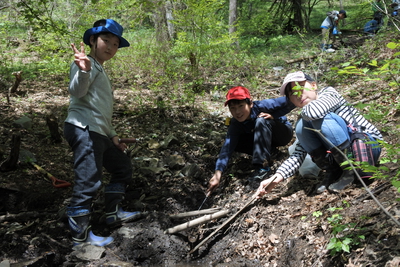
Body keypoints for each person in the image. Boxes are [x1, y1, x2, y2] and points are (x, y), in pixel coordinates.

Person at [64, 19, 143, 247]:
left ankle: (113, 212)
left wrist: (114, 136)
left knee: (122, 167)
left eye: (115, 44)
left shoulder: (100, 69)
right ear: (92, 40)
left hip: (99, 131)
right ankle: (80, 236)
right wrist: (84, 71)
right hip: (83, 128)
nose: (110, 47)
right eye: (105, 41)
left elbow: (101, 110)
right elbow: (76, 91)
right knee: (89, 180)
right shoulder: (85, 63)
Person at [255, 71, 383, 198]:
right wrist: (276, 178)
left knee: (311, 120)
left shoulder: (329, 93)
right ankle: (333, 170)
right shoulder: (307, 118)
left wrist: (301, 117)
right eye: (292, 94)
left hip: (367, 146)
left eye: (300, 87)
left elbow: (314, 112)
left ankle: (350, 171)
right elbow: (299, 152)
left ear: (314, 85)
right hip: (349, 149)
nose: (298, 94)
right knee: (300, 128)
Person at [207, 86, 294, 195]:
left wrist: (274, 115)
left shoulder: (262, 106)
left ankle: (262, 168)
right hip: (266, 139)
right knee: (234, 141)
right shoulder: (235, 123)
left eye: (241, 106)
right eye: (232, 108)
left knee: (261, 120)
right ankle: (270, 151)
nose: (237, 112)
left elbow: (292, 100)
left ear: (250, 104)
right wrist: (217, 174)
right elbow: (227, 149)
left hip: (282, 135)